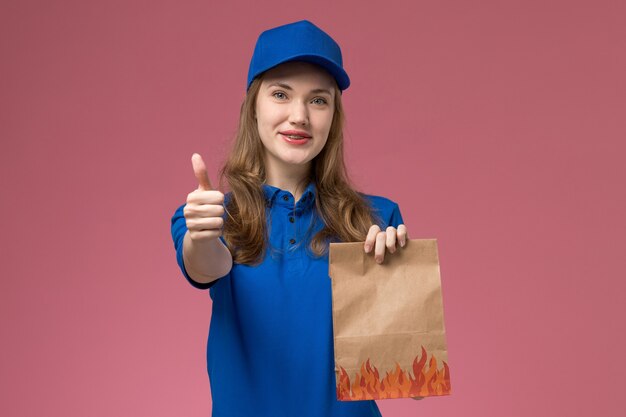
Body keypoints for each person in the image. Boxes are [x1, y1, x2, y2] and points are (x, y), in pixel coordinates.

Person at [170, 20, 420, 417]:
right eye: (281, 94)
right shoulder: (213, 215)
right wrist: (201, 236)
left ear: (333, 116)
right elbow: (207, 266)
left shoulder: (377, 218)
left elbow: (409, 379)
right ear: (254, 106)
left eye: (318, 100)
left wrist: (401, 292)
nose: (299, 115)